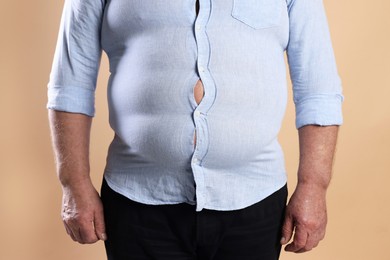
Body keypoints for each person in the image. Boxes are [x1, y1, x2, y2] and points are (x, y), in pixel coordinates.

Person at [47, 0, 343, 259]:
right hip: (136, 201)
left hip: (255, 200)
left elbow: (318, 89)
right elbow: (70, 85)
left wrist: (314, 186)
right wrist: (73, 184)